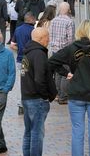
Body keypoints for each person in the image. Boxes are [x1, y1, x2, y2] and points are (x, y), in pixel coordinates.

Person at [49, 20, 90, 156]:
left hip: (76, 94)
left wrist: (66, 73)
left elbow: (52, 61)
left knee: (77, 131)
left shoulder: (72, 48)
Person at [21, 27, 58, 156]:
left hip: (27, 96)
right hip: (36, 98)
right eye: (47, 37)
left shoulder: (28, 52)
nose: (49, 39)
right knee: (36, 132)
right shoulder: (39, 54)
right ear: (41, 38)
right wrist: (45, 96)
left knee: (29, 131)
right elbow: (39, 78)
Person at [49, 2, 75, 104]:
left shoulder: (54, 20)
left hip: (55, 50)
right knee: (66, 73)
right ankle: (63, 96)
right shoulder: (69, 21)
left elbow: (50, 35)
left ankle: (59, 94)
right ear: (68, 10)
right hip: (65, 50)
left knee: (58, 73)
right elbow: (71, 39)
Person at [11, 13, 36, 114]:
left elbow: (12, 45)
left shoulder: (18, 29)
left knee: (21, 82)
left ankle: (20, 105)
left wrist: (21, 50)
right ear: (31, 19)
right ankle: (29, 104)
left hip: (20, 60)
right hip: (30, 60)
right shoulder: (33, 31)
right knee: (31, 82)